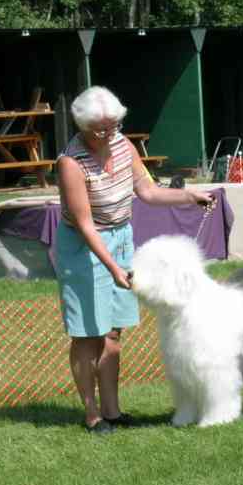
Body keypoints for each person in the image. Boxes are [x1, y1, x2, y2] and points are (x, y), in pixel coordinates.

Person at [56, 86, 213, 434]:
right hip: (84, 246)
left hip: (120, 237)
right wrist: (113, 268)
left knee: (113, 332)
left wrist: (188, 195)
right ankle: (92, 413)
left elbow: (147, 191)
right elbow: (83, 224)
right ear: (81, 126)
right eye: (100, 128)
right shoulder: (71, 162)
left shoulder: (125, 146)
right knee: (87, 334)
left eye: (112, 125)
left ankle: (113, 411)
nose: (108, 133)